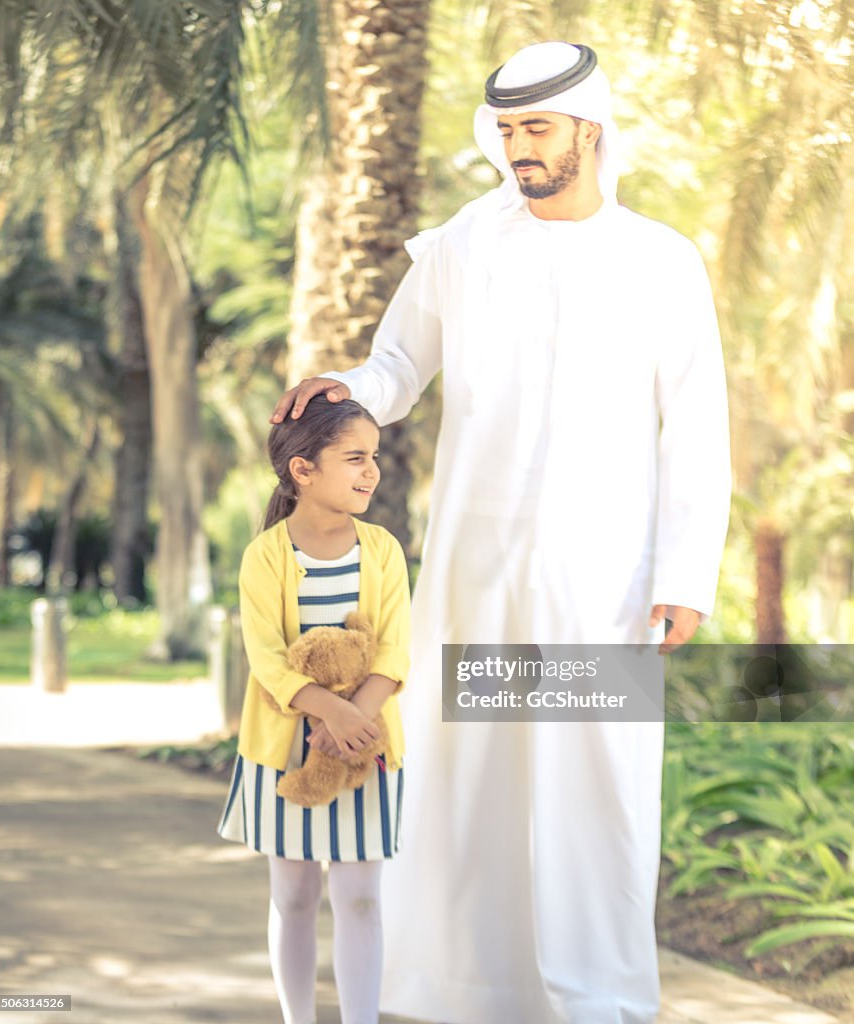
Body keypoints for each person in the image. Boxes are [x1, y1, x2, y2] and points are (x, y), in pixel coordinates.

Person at [271, 41, 730, 1024]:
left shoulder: (660, 260)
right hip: (477, 570)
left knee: (595, 781)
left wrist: (686, 571)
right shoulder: (466, 244)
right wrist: (346, 387)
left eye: (538, 128)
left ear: (588, 128)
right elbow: (397, 364)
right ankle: (461, 991)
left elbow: (696, 425)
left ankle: (598, 995)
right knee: (471, 773)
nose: (519, 148)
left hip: (603, 576)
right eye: (508, 129)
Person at [217, 395, 411, 1024]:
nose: (370, 471)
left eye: (374, 457)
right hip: (284, 755)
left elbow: (394, 649)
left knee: (359, 899)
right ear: (303, 469)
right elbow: (268, 659)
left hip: (366, 749)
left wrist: (355, 721)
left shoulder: (382, 550)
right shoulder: (265, 556)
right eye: (354, 457)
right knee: (294, 896)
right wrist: (332, 712)